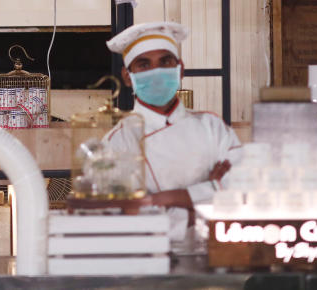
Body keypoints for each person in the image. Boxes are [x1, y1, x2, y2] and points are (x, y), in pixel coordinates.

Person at [104, 21, 242, 240]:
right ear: (128, 76)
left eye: (165, 62)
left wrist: (161, 200)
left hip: (220, 255)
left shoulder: (212, 127)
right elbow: (126, 218)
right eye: (144, 64)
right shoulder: (117, 143)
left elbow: (243, 193)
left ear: (180, 70)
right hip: (151, 263)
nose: (156, 72)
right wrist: (210, 192)